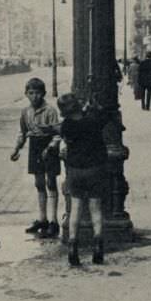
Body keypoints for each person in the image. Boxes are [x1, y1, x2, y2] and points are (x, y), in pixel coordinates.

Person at [48, 93, 109, 266]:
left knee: (75, 209)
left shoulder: (67, 125)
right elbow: (105, 117)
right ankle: (98, 248)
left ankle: (73, 247)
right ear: (78, 106)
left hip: (75, 170)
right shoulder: (92, 121)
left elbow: (63, 134)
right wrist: (95, 107)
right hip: (95, 169)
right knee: (96, 209)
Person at [10, 78, 61, 238]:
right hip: (35, 146)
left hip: (49, 146)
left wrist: (51, 147)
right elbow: (23, 132)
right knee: (39, 183)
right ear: (26, 94)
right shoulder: (25, 112)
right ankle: (42, 219)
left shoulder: (50, 111)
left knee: (51, 182)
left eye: (38, 93)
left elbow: (58, 133)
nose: (34, 97)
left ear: (43, 94)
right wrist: (17, 148)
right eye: (31, 93)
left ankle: (54, 221)